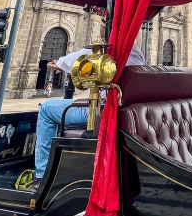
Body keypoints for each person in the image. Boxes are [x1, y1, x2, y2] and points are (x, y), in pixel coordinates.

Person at [28, 43, 145, 193]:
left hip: (102, 110)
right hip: (123, 110)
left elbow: (80, 59)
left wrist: (59, 63)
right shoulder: (136, 52)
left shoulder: (109, 48)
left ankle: (42, 176)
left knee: (46, 110)